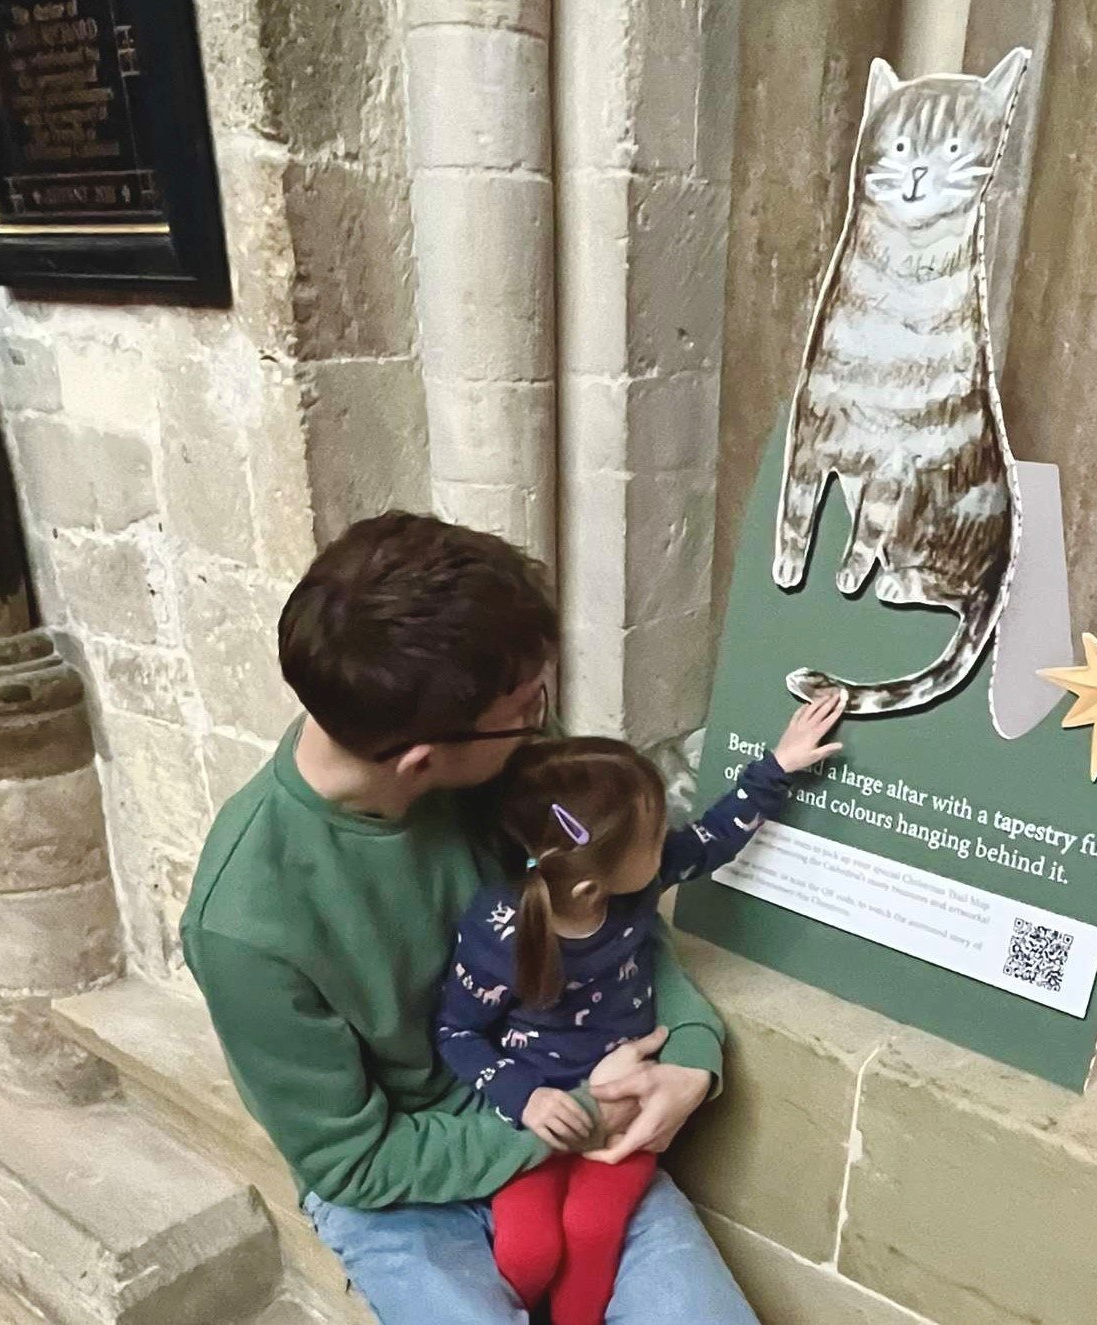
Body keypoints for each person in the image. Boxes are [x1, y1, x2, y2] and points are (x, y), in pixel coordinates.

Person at [180, 511, 765, 1324]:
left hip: (574, 1107)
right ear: (421, 760)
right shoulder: (244, 922)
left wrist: (693, 1054)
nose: (543, 723)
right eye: (528, 705)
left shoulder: (508, 759)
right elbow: (356, 1161)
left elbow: (614, 913)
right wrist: (577, 1114)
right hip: (410, 1186)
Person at [436, 699, 843, 1325]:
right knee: (529, 1248)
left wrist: (778, 764)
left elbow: (711, 839)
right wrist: (525, 1098)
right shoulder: (499, 931)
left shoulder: (638, 884)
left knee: (594, 1229)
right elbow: (457, 1031)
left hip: (624, 1109)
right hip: (532, 1120)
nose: (667, 843)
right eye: (653, 839)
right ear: (588, 888)